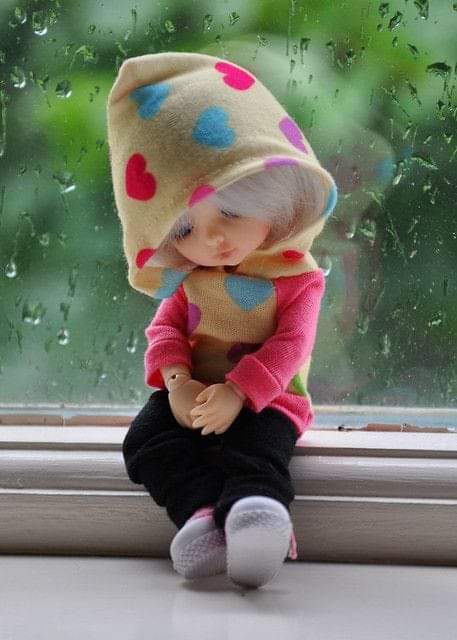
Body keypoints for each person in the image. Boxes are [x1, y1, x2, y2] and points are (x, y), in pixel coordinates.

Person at [106, 51, 338, 588]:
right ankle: (201, 514)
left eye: (231, 212)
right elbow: (165, 330)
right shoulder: (190, 277)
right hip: (193, 394)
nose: (212, 239)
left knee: (257, 451)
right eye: (184, 230)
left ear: (274, 198)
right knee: (145, 440)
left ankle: (258, 514)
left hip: (267, 398)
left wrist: (238, 391)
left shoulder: (295, 277)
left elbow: (291, 346)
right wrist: (178, 383)